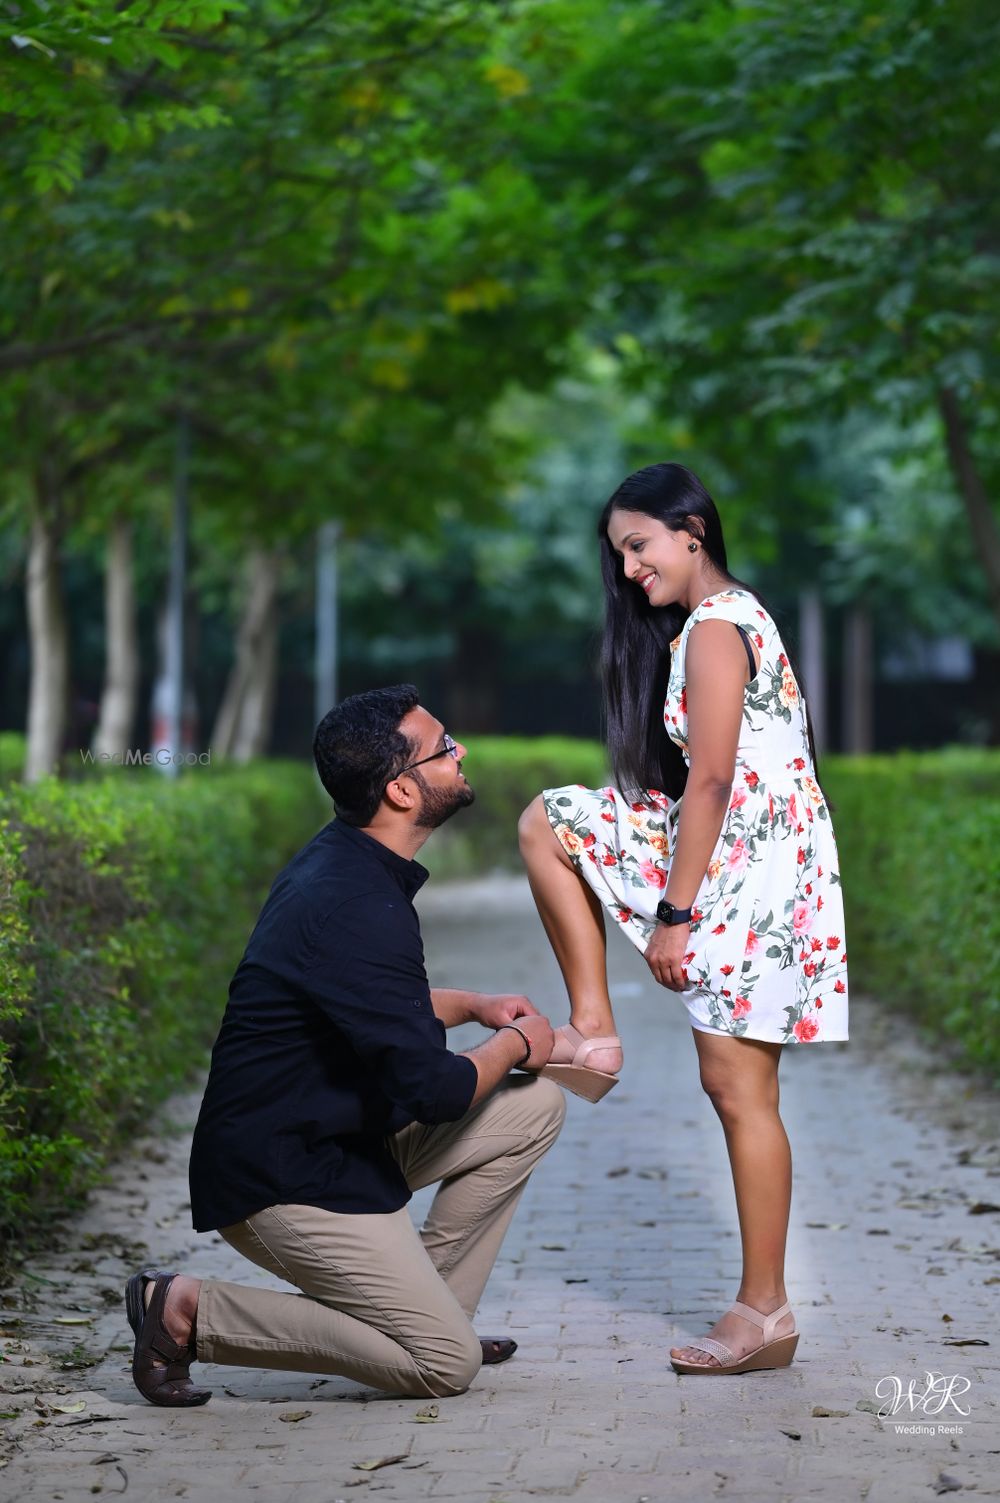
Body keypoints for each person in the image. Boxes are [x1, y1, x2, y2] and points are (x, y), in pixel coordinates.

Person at [126, 684, 564, 1408]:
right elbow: (439, 1091)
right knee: (443, 1368)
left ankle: (429, 1317)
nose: (463, 754)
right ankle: (185, 1310)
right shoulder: (352, 900)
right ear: (400, 789)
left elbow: (364, 1003)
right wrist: (518, 1041)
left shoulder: (350, 866)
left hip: (342, 1138)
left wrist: (474, 1006)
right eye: (445, 747)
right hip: (282, 1176)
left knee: (534, 1107)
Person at [518, 463, 848, 1376]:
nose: (629, 570)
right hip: (755, 855)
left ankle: (766, 1310)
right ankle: (592, 1028)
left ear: (691, 528)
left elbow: (710, 780)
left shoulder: (715, 629)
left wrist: (675, 913)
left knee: (741, 1091)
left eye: (639, 545)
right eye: (620, 554)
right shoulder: (729, 620)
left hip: (746, 865)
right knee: (550, 822)